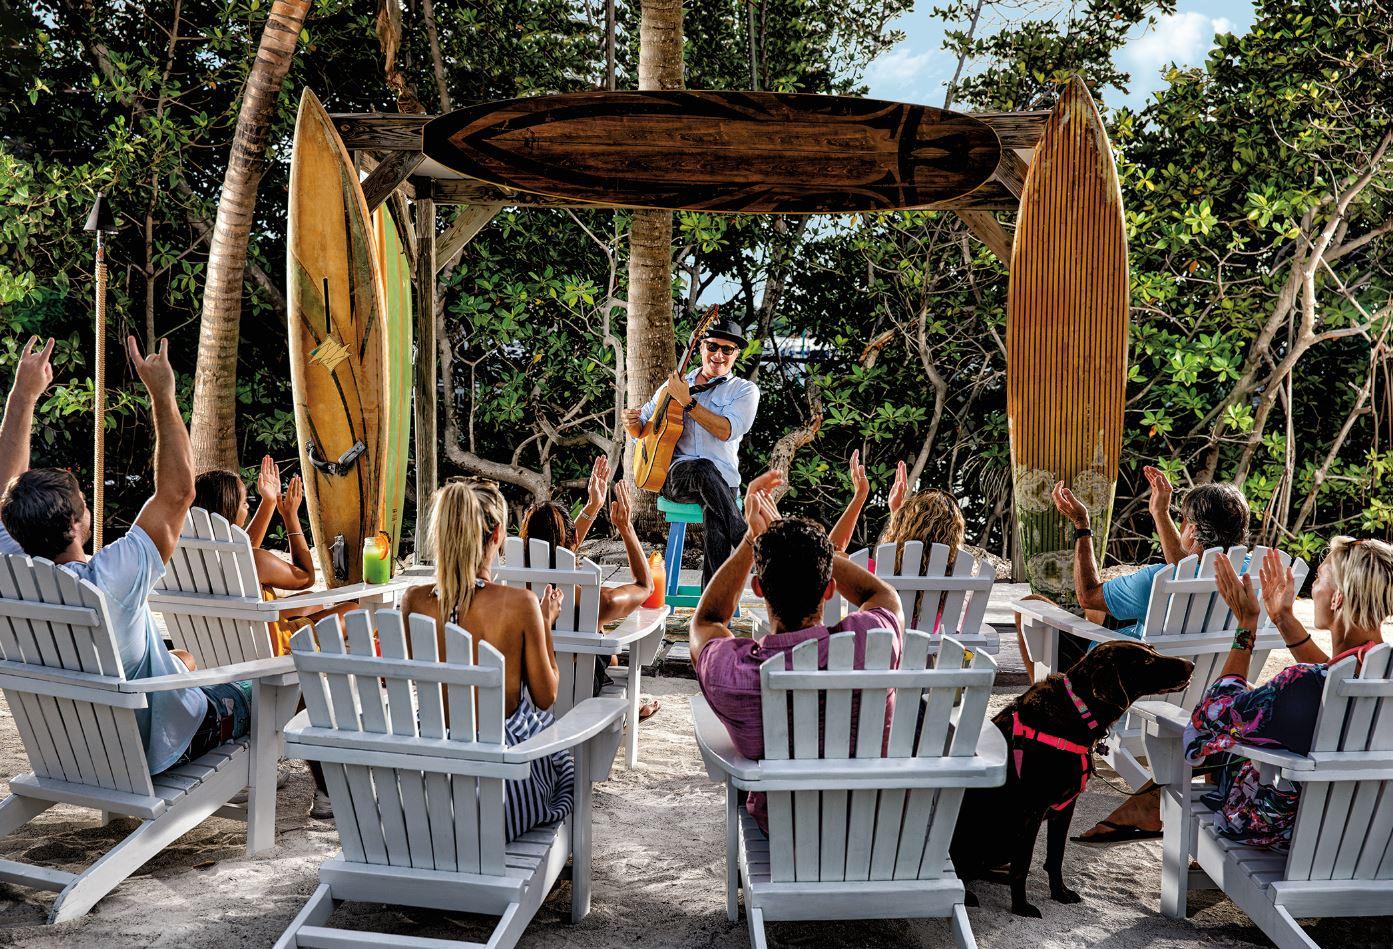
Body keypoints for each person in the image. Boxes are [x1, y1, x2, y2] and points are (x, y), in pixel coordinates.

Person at [0, 336, 250, 774]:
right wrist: (162, 395)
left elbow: (6, 485)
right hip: (148, 749)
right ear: (77, 525)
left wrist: (23, 396)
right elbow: (178, 494)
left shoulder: (11, 568)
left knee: (184, 660)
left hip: (69, 743)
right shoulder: (110, 580)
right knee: (276, 684)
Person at [690, 469, 906, 831]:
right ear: (829, 590)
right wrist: (814, 553)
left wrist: (752, 540)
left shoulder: (734, 674)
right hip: (869, 828)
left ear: (759, 589)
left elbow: (707, 620)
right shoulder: (872, 643)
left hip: (784, 833)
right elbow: (883, 597)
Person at [1048, 468, 1251, 844]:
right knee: (1103, 615)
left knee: (1037, 608)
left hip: (1133, 698)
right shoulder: (1251, 579)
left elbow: (1088, 592)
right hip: (1205, 696)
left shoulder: (1159, 580)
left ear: (1190, 529)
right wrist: (1161, 515)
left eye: (1183, 520)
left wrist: (1082, 526)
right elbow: (1190, 564)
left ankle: (1064, 736)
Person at [1185, 539, 1392, 848]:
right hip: (1373, 840)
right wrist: (1283, 618)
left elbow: (1206, 721)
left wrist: (1246, 626)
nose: (1313, 589)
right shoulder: (1378, 676)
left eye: (1319, 578)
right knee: (1260, 706)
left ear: (1336, 599)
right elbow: (1334, 679)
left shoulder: (1302, 684)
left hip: (1289, 832)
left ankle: (1148, 810)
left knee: (1231, 730)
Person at [400, 478, 573, 841]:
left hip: (423, 790)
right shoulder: (520, 605)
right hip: (500, 794)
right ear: (496, 534)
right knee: (558, 751)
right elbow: (546, 696)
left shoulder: (413, 602)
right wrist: (544, 623)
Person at [520, 455, 660, 718]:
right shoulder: (594, 602)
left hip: (530, 695)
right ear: (573, 539)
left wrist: (592, 507)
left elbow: (557, 554)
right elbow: (645, 586)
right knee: (602, 641)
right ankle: (625, 712)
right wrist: (626, 527)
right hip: (580, 695)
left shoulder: (513, 589)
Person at [623, 317, 759, 588]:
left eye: (727, 349)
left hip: (723, 482)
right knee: (702, 468)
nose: (718, 354)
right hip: (677, 476)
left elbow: (726, 430)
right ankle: (748, 541)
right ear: (700, 348)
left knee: (717, 517)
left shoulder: (744, 390)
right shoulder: (675, 383)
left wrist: (688, 402)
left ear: (736, 354)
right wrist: (632, 423)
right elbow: (644, 428)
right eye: (712, 346)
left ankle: (712, 605)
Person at [192, 457, 357, 656]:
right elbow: (306, 577)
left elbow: (244, 553)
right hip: (271, 647)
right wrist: (290, 517)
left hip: (224, 642)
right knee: (352, 610)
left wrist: (269, 502)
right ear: (229, 509)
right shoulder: (256, 561)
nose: (247, 508)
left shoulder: (193, 555)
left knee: (310, 601)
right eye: (244, 502)